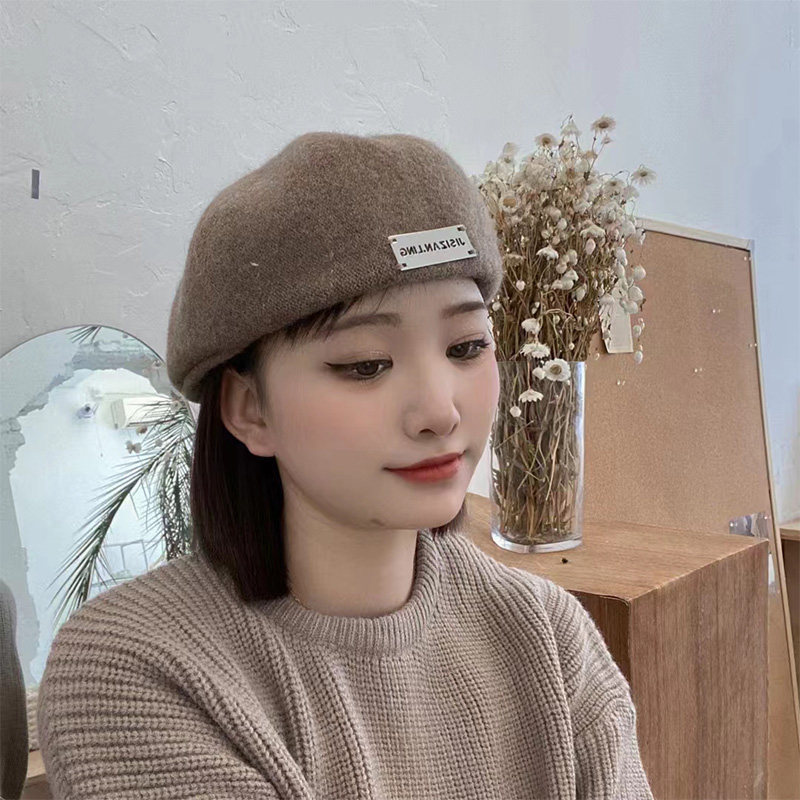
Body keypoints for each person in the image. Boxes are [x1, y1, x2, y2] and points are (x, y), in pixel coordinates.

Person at [36, 131, 654, 799]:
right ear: (249, 409)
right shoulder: (135, 668)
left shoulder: (549, 635)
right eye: (366, 365)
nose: (439, 411)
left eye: (467, 347)